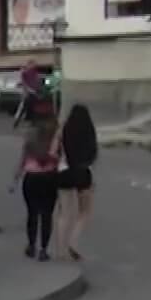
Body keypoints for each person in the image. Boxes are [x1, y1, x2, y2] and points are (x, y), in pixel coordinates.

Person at [11, 119, 61, 261]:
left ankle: (31, 245)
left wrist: (14, 181)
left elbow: (22, 162)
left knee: (32, 213)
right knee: (47, 215)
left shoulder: (30, 143)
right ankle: (44, 250)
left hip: (31, 178)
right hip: (50, 178)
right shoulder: (54, 143)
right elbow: (61, 160)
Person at [54, 105, 98, 262]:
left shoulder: (63, 130)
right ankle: (73, 241)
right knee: (84, 212)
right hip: (83, 172)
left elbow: (52, 152)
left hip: (64, 171)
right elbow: (94, 155)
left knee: (64, 213)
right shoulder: (89, 132)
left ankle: (60, 251)